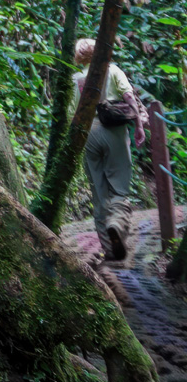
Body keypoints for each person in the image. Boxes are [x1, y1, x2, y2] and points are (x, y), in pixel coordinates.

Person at [72, 37, 146, 262]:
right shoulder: (113, 70)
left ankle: (109, 249)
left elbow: (71, 114)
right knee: (120, 186)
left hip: (88, 134)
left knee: (99, 191)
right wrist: (139, 125)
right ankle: (116, 223)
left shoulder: (75, 78)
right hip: (113, 131)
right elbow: (128, 96)